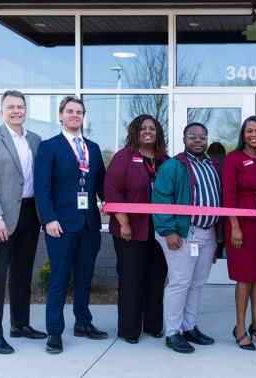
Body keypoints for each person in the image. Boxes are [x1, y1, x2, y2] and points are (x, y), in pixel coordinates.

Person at [0, 90, 46, 354]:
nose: (16, 111)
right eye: (10, 107)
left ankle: (20, 324)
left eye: (20, 107)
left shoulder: (35, 140)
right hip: (1, 217)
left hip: (29, 213)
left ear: (26, 110)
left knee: (23, 272)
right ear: (1, 110)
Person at [34, 96, 107, 354]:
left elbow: (100, 183)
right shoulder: (49, 147)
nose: (75, 115)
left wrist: (109, 201)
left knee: (84, 278)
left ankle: (83, 323)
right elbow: (41, 189)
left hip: (89, 224)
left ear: (83, 116)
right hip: (61, 226)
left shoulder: (94, 148)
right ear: (61, 116)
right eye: (70, 111)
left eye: (79, 112)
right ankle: (54, 331)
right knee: (59, 279)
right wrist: (49, 219)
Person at [152, 122, 222, 354]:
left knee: (197, 283)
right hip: (182, 232)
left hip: (207, 233)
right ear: (184, 139)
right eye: (193, 137)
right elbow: (161, 199)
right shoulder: (173, 166)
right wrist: (169, 230)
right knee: (180, 282)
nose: (198, 141)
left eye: (202, 137)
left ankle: (190, 327)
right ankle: (173, 332)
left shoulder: (213, 165)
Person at [104, 114, 169, 344]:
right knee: (132, 279)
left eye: (152, 128)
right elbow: (112, 192)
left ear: (158, 133)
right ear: (135, 131)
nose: (148, 131)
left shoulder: (163, 159)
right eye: (143, 128)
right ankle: (129, 330)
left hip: (159, 230)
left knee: (156, 277)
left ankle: (153, 324)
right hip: (130, 229)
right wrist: (124, 223)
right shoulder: (123, 157)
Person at [223, 116, 256, 351]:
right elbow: (228, 195)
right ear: (243, 134)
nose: (253, 135)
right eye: (249, 131)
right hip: (241, 226)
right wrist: (234, 226)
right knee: (244, 277)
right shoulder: (232, 159)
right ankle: (239, 326)